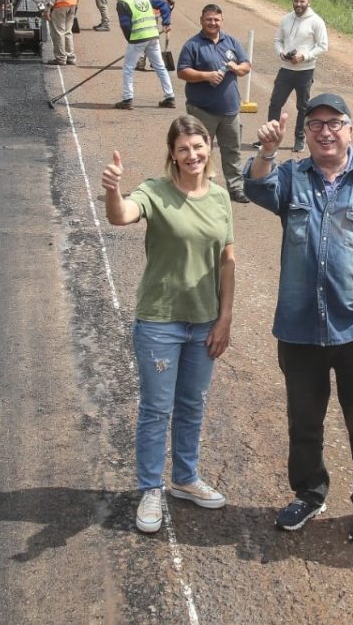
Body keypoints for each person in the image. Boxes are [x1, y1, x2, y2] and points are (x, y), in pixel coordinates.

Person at [243, 93, 353, 544]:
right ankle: (309, 492)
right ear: (307, 132)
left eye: (334, 123)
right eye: (315, 124)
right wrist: (265, 152)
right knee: (304, 420)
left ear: (350, 129)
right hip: (300, 327)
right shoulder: (292, 176)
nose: (325, 131)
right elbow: (255, 189)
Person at [101, 116, 236, 534]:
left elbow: (227, 259)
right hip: (160, 321)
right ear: (172, 154)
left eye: (198, 146)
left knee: (192, 405)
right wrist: (112, 191)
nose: (192, 155)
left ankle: (184, 478)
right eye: (183, 149)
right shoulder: (155, 192)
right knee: (157, 410)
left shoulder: (219, 197)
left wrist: (225, 316)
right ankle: (149, 489)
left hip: (205, 321)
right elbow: (123, 215)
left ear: (208, 147)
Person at [177, 4, 252, 203]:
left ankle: (236, 188)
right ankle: (199, 187)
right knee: (199, 151)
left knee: (232, 150)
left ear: (222, 21)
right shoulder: (192, 45)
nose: (212, 23)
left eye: (216, 20)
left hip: (230, 111)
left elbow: (246, 66)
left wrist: (237, 68)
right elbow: (182, 71)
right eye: (209, 19)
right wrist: (205, 76)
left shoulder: (232, 42)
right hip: (202, 111)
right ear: (201, 20)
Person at [266, 0, 328, 155]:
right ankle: (270, 137)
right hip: (286, 69)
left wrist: (305, 56)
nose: (298, 4)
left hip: (305, 71)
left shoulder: (316, 21)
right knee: (275, 103)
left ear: (308, 1)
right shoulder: (286, 19)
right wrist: (281, 53)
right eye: (296, 1)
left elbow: (323, 46)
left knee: (303, 106)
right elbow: (277, 40)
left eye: (302, 1)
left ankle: (300, 139)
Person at [112, 0, 175, 110]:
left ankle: (127, 99)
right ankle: (170, 97)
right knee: (160, 67)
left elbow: (125, 24)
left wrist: (131, 40)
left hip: (138, 37)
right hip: (153, 35)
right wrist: (166, 22)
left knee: (128, 68)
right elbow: (163, 3)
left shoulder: (122, 2)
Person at [130, 0, 176, 71]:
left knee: (140, 36)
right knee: (153, 37)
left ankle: (140, 62)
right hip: (153, 12)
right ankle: (156, 62)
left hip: (138, 13)